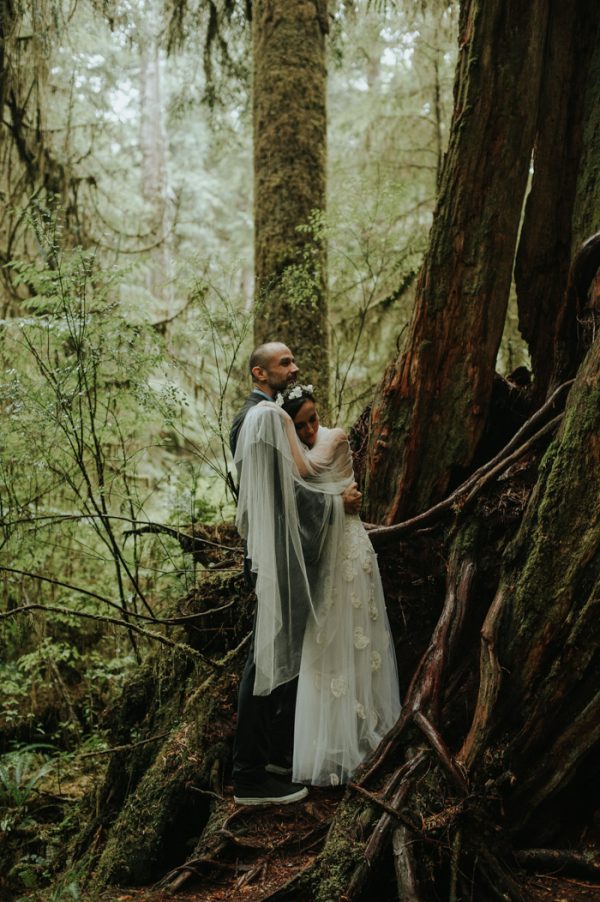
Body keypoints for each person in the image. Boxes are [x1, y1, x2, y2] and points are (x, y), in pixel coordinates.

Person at [230, 343, 362, 805]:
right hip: (275, 558)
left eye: (292, 360)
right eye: (284, 363)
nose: (295, 367)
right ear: (260, 373)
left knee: (279, 655)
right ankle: (249, 774)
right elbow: (286, 491)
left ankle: (274, 758)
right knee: (265, 658)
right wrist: (334, 502)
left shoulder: (262, 416)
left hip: (277, 555)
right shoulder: (263, 419)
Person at [278, 385, 401, 786]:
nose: (312, 428)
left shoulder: (335, 438)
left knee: (358, 642)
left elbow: (305, 474)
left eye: (313, 419)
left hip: (349, 551)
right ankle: (330, 744)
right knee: (327, 647)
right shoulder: (300, 447)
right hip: (323, 559)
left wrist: (282, 432)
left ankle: (363, 739)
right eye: (302, 426)